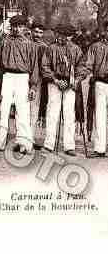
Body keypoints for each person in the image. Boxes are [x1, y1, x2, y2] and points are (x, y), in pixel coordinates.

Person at [0, 15, 39, 155]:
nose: (17, 29)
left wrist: (33, 86)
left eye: (20, 26)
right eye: (15, 26)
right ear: (11, 27)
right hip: (7, 76)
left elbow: (34, 66)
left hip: (23, 78)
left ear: (24, 27)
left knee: (22, 110)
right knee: (3, 109)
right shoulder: (4, 43)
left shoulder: (30, 44)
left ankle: (23, 142)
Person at [41, 23, 86, 155]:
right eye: (60, 34)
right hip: (55, 83)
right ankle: (49, 144)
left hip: (70, 83)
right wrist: (55, 80)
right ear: (56, 35)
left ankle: (69, 146)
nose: (63, 38)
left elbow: (82, 66)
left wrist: (76, 80)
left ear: (71, 36)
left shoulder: (76, 49)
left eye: (66, 36)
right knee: (52, 113)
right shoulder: (51, 48)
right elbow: (45, 66)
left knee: (69, 114)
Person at [82, 28, 108, 158]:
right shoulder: (95, 47)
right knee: (100, 116)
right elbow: (88, 65)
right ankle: (100, 148)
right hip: (101, 83)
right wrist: (79, 77)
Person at [30, 22, 49, 149]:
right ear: (31, 31)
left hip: (39, 81)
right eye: (36, 32)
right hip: (24, 78)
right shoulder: (26, 44)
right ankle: (22, 138)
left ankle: (31, 138)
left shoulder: (44, 47)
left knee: (35, 110)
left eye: (40, 32)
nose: (38, 35)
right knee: (22, 110)